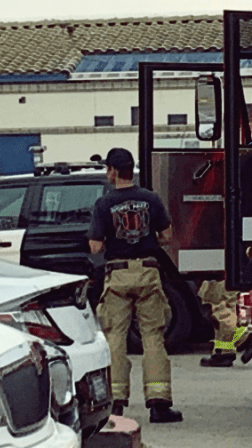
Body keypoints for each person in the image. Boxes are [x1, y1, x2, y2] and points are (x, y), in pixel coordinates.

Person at [88, 147, 183, 424]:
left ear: (114, 171)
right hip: (148, 273)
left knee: (115, 337)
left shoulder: (104, 204)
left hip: (117, 275)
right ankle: (159, 404)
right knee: (153, 336)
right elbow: (166, 235)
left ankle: (115, 405)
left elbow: (95, 245)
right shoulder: (150, 199)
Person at [197, 280, 252, 366]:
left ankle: (243, 340)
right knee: (226, 305)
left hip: (218, 273)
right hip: (226, 272)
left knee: (218, 304)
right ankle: (225, 352)